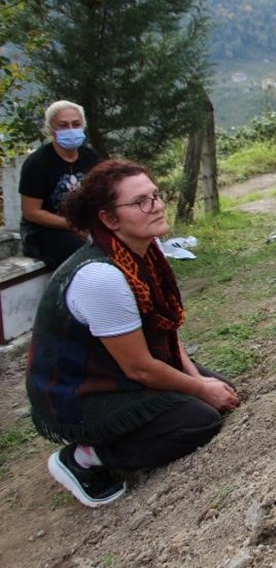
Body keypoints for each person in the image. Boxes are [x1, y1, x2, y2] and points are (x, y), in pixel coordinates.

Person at [26, 159, 240, 508]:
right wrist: (200, 387)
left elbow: (165, 329)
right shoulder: (101, 276)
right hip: (80, 392)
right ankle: (84, 457)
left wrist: (194, 377)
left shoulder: (146, 250)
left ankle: (161, 412)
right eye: (141, 202)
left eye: (156, 195)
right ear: (109, 219)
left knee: (222, 391)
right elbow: (139, 368)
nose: (156, 206)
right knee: (198, 421)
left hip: (123, 365)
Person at [18, 100, 101, 269]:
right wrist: (74, 225)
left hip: (84, 224)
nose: (71, 129)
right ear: (51, 129)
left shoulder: (90, 157)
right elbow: (32, 212)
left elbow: (104, 192)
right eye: (63, 125)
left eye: (76, 124)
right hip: (46, 230)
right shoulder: (37, 163)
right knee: (84, 254)